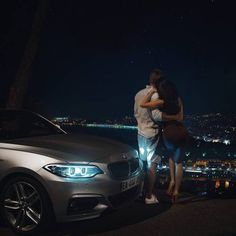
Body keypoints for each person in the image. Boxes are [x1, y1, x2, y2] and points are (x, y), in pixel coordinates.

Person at [134, 69, 182, 204]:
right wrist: (174, 117)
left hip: (140, 133)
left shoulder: (138, 94)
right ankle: (149, 196)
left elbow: (136, 112)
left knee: (142, 164)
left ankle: (139, 192)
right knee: (152, 165)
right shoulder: (157, 96)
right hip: (152, 134)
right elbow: (156, 116)